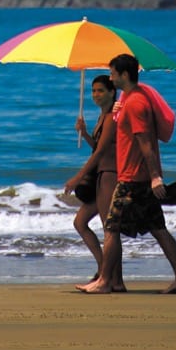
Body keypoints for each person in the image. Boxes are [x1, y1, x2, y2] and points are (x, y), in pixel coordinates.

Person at [76, 53, 176, 295]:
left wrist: (155, 176)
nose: (110, 77)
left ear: (124, 75)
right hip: (139, 178)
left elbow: (145, 142)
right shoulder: (130, 99)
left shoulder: (136, 103)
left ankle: (106, 281)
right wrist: (117, 112)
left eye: (113, 74)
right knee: (158, 228)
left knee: (111, 228)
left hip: (132, 178)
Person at [64, 75, 125, 292]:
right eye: (93, 91)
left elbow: (100, 153)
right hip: (101, 175)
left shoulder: (111, 118)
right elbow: (98, 146)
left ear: (111, 92)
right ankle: (105, 271)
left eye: (100, 91)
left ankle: (112, 279)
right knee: (80, 222)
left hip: (110, 175)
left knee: (110, 230)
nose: (95, 95)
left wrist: (78, 177)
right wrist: (85, 133)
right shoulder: (102, 118)